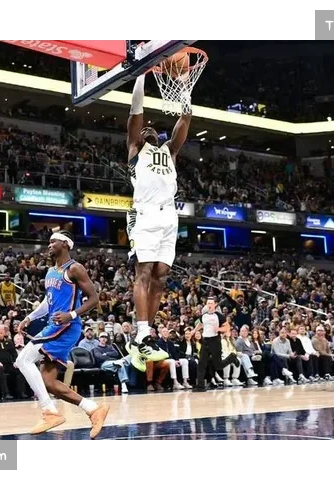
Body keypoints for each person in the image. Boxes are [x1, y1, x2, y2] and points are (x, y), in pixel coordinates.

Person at [125, 72, 192, 370]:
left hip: (169, 216)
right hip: (146, 213)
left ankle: (144, 338)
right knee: (144, 272)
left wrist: (185, 86)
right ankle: (141, 335)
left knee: (161, 276)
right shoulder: (135, 149)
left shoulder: (169, 151)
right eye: (145, 129)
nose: (149, 128)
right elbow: (136, 111)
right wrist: (140, 75)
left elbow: (185, 119)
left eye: (153, 128)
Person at [16, 230, 108, 438]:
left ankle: (49, 411)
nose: (49, 245)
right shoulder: (50, 271)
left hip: (66, 326)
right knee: (49, 382)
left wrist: (71, 314)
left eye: (53, 242)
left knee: (23, 360)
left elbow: (94, 299)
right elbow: (48, 302)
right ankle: (94, 409)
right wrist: (30, 317)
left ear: (65, 244)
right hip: (55, 324)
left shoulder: (75, 268)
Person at [193, 297, 237, 392]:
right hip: (205, 341)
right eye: (208, 303)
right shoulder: (204, 315)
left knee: (218, 365)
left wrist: (219, 329)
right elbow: (200, 324)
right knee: (201, 364)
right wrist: (194, 331)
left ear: (215, 305)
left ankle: (232, 357)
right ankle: (200, 386)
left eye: (211, 303)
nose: (209, 305)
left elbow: (227, 327)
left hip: (215, 341)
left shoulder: (219, 316)